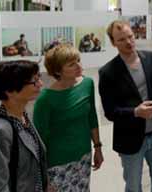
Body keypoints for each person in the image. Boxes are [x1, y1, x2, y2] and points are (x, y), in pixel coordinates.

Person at [98, 20, 152, 192]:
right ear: (113, 43)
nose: (128, 42)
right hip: (130, 140)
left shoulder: (151, 58)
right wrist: (135, 112)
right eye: (121, 40)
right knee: (133, 187)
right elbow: (110, 112)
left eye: (130, 37)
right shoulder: (108, 73)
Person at [33, 44, 103, 191]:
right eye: (72, 64)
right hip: (57, 163)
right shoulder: (45, 99)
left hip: (83, 156)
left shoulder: (87, 84)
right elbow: (38, 140)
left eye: (78, 60)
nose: (79, 66)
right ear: (58, 71)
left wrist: (97, 147)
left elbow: (91, 117)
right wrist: (42, 178)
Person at [0, 60, 48, 191]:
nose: (40, 84)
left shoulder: (22, 117)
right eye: (34, 81)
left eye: (39, 78)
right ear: (10, 91)